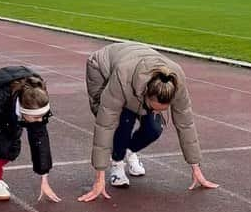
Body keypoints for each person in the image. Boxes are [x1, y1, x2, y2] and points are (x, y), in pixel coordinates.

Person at [79, 42, 218, 202]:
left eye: (162, 109)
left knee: (154, 128)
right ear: (145, 94)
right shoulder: (123, 76)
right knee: (122, 121)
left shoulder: (176, 81)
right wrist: (99, 178)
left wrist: (196, 168)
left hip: (138, 67)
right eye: (154, 108)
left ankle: (129, 151)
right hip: (101, 69)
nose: (158, 112)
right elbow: (105, 125)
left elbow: (185, 124)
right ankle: (117, 163)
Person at [0, 66, 61, 211]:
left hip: (11, 103)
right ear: (22, 110)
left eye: (42, 116)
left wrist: (44, 179)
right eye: (35, 117)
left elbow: (40, 140)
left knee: (12, 146)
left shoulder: (37, 96)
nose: (40, 120)